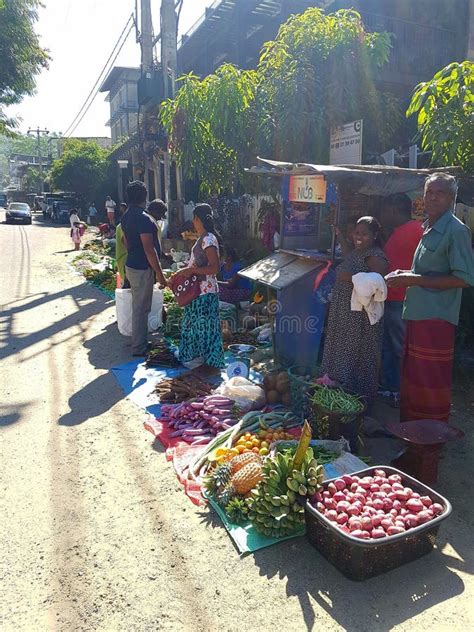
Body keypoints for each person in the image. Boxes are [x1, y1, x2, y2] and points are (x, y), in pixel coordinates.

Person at [386, 173, 474, 422]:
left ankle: (430, 444)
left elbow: (465, 278)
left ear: (451, 198)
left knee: (430, 384)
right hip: (417, 315)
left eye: (440, 192)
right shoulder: (428, 226)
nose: (433, 197)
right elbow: (427, 271)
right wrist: (407, 274)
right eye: (429, 192)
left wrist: (413, 280)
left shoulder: (456, 230)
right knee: (413, 382)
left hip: (436, 320)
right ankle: (412, 439)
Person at [321, 216, 389, 405]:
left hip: (359, 320)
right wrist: (341, 236)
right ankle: (336, 395)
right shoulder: (358, 251)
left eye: (364, 233)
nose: (359, 236)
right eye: (356, 232)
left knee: (356, 356)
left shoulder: (376, 256)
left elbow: (379, 282)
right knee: (342, 353)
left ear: (374, 235)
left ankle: (355, 401)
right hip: (345, 314)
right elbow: (350, 254)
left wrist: (349, 278)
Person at [379, 194, 423, 400]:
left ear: (394, 211)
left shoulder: (416, 232)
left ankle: (401, 392)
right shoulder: (404, 231)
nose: (383, 215)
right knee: (390, 345)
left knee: (398, 347)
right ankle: (391, 386)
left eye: (385, 210)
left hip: (402, 300)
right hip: (392, 298)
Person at [176, 203, 224, 372]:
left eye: (193, 218)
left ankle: (209, 364)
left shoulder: (208, 239)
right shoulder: (203, 238)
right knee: (197, 326)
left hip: (205, 292)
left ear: (197, 218)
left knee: (205, 328)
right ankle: (198, 361)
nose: (193, 222)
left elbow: (214, 267)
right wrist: (188, 268)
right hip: (199, 291)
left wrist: (192, 270)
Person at [121, 181, 167, 356]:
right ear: (144, 197)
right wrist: (159, 274)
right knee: (141, 308)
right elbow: (149, 249)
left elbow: (125, 241)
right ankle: (138, 347)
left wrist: (134, 252)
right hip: (142, 268)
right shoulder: (144, 218)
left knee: (138, 306)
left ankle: (138, 342)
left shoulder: (126, 216)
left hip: (131, 265)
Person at [115, 203, 129, 288]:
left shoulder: (120, 226)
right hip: (125, 260)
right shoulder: (123, 226)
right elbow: (127, 243)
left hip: (122, 259)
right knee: (127, 288)